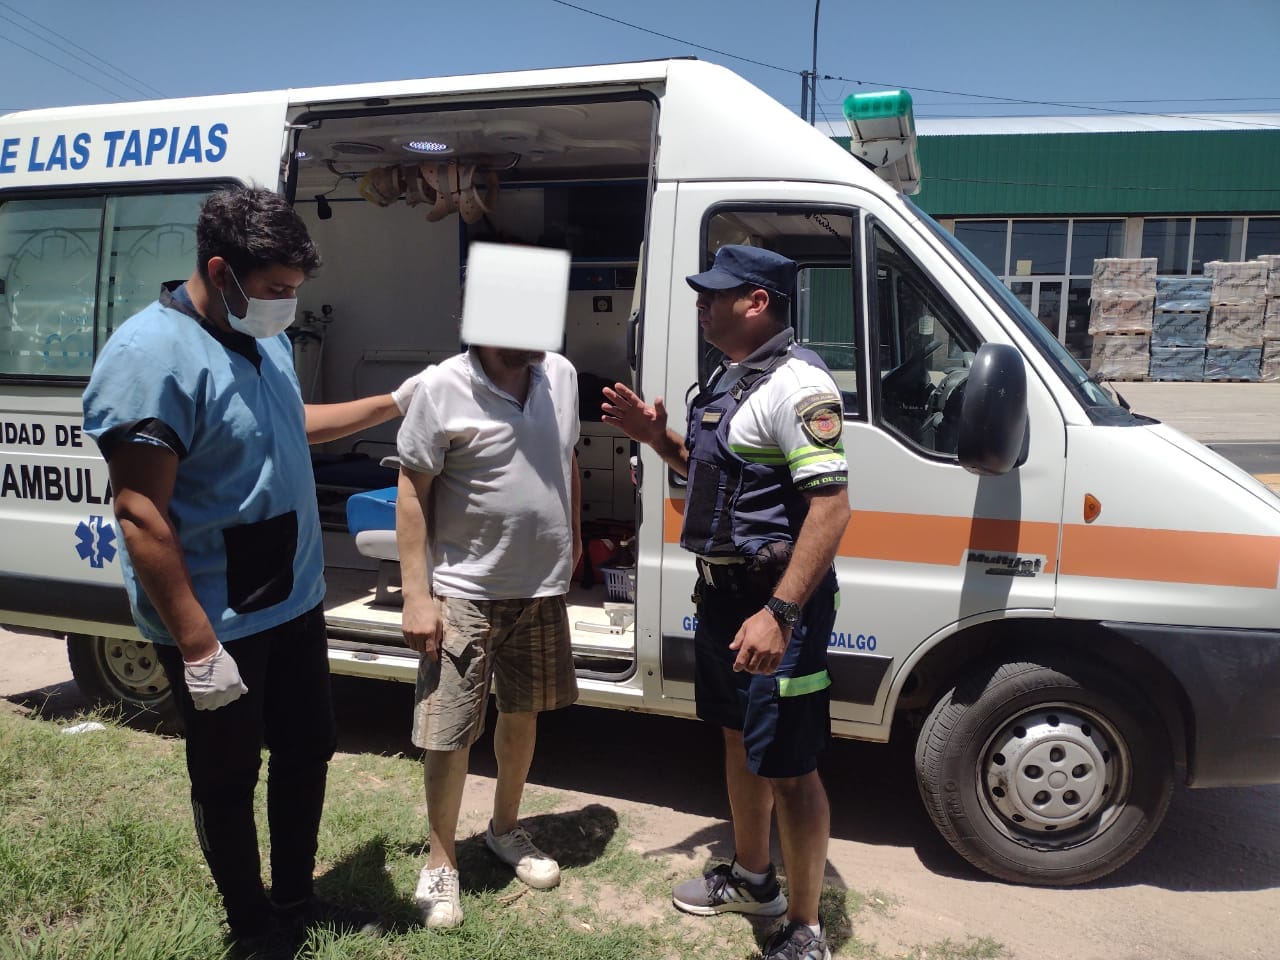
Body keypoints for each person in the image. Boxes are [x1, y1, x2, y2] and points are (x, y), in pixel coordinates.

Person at [82, 186, 419, 955]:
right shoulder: (150, 358)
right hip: (217, 615)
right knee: (227, 776)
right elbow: (140, 513)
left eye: (295, 290)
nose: (285, 305)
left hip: (290, 598)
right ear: (219, 271)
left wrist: (393, 401)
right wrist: (199, 649)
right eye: (275, 289)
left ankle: (296, 897)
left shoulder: (260, 336)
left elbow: (288, 424)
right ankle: (253, 925)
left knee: (308, 747)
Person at [602, 245, 851, 960]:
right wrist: (657, 438)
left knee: (791, 768)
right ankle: (751, 877)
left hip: (775, 606)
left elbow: (831, 509)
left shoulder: (799, 386)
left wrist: (780, 614)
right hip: (722, 598)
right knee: (739, 739)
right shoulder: (729, 378)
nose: (701, 305)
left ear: (758, 302)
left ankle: (805, 928)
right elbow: (715, 476)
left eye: (715, 295)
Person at [395, 337, 582, 929]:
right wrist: (417, 595)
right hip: (462, 591)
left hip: (539, 589)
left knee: (523, 713)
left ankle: (505, 829)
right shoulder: (441, 386)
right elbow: (412, 488)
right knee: (449, 731)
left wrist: (573, 542)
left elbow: (567, 459)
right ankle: (440, 860)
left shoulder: (561, 374)